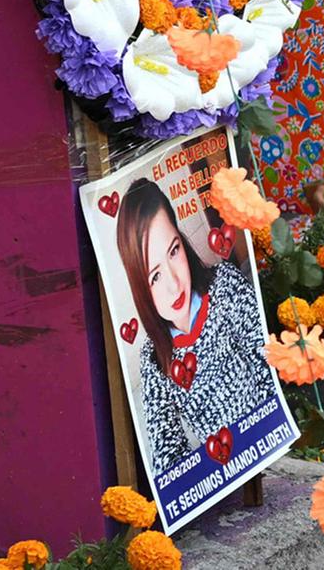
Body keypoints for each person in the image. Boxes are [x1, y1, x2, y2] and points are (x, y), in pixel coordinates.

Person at [113, 175, 279, 477]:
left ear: (181, 240)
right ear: (140, 285)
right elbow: (167, 454)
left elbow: (268, 368)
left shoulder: (225, 285)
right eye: (154, 276)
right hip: (219, 476)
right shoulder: (153, 361)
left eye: (173, 251)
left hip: (266, 447)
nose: (174, 284)